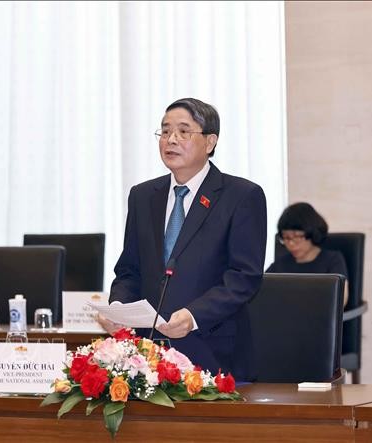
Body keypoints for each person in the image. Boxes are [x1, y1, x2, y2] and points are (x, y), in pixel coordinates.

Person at [100, 98, 267, 381]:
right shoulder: (143, 197)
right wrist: (118, 309)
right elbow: (130, 270)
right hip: (147, 358)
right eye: (164, 132)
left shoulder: (240, 196)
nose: (171, 139)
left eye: (183, 131)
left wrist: (192, 316)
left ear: (210, 142)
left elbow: (243, 277)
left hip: (212, 354)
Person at [267, 202, 349, 306]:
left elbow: (341, 301)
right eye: (286, 237)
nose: (291, 243)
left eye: (297, 236)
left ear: (313, 233)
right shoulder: (280, 265)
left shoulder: (333, 260)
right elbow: (262, 292)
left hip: (319, 319)